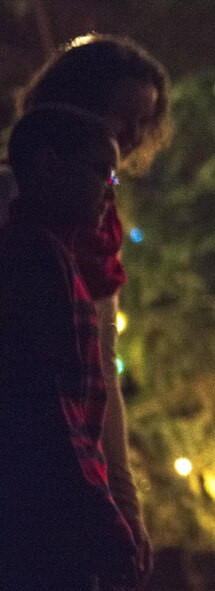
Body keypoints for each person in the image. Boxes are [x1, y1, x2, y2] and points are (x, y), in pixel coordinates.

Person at [1, 33, 172, 582]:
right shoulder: (16, 209)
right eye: (120, 115)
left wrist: (120, 493)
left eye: (145, 121)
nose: (132, 134)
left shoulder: (99, 217)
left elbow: (99, 363)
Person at [0, 106, 138, 590]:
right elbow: (54, 408)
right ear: (48, 165)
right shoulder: (35, 261)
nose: (109, 189)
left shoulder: (52, 256)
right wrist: (103, 514)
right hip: (43, 518)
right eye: (99, 170)